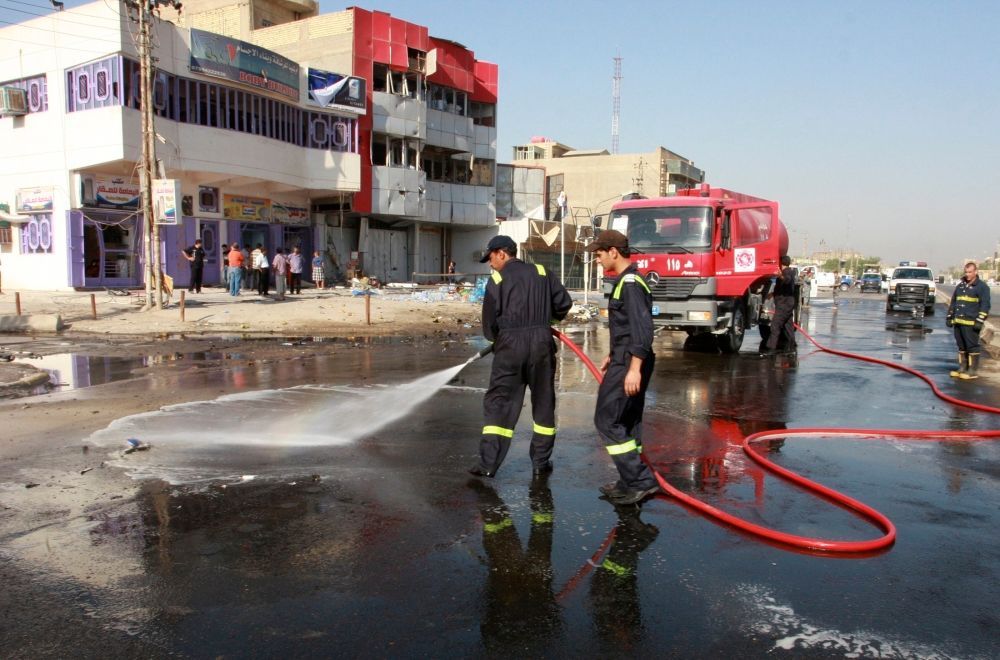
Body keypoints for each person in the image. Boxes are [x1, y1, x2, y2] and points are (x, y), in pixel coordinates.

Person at [469, 235, 573, 479]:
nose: (490, 263)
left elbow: (489, 324)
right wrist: (547, 322)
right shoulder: (542, 271)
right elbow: (564, 302)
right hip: (541, 343)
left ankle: (488, 464)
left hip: (509, 347)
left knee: (500, 403)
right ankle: (540, 463)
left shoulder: (497, 279)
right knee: (544, 403)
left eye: (491, 258)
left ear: (502, 253)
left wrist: (499, 342)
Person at [586, 230, 661, 505]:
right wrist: (612, 353)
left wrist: (633, 368)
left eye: (599, 254)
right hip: (624, 356)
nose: (598, 260)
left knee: (607, 420)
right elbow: (627, 327)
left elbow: (643, 329)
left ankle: (640, 480)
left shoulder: (629, 283)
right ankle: (630, 480)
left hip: (630, 360)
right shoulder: (625, 281)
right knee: (628, 421)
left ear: (613, 252)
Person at [946, 261, 991, 380]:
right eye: (966, 272)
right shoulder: (960, 286)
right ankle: (962, 368)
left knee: (972, 346)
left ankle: (972, 370)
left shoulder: (982, 287)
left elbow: (985, 305)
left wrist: (980, 320)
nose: (967, 274)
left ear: (975, 272)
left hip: (971, 324)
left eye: (970, 272)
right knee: (961, 346)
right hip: (959, 322)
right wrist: (950, 316)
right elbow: (954, 302)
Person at [762, 255, 797, 355]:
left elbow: (787, 280)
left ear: (782, 263)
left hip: (784, 304)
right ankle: (792, 346)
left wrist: (780, 275)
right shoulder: (788, 271)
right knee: (788, 325)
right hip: (787, 303)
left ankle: (771, 349)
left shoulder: (787, 272)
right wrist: (772, 294)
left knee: (775, 325)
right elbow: (783, 288)